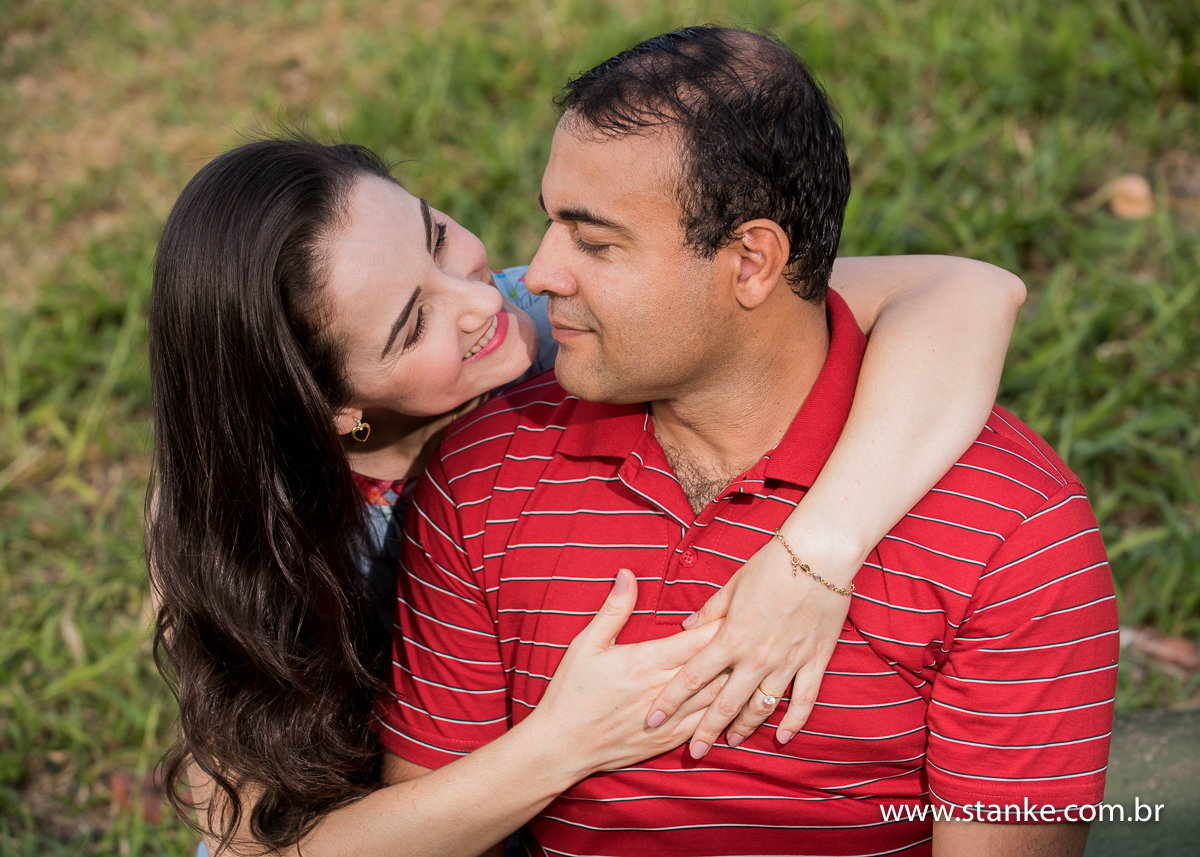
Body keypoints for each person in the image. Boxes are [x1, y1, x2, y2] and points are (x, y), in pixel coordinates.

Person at [147, 131, 1022, 856]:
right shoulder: (247, 534)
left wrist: (817, 555)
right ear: (333, 406)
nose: (481, 301)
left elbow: (971, 291)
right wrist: (569, 741)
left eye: (437, 236)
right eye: (414, 323)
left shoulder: (558, 321)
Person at [378, 25, 1119, 857]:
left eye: (595, 241)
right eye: (550, 223)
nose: (540, 273)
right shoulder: (484, 470)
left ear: (753, 262)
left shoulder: (1012, 526)